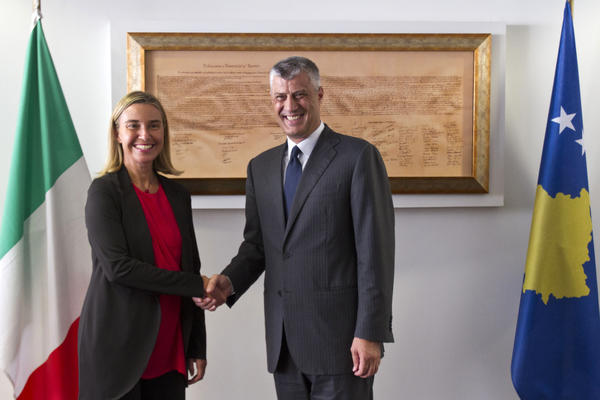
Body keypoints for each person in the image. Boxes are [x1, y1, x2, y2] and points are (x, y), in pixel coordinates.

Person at [197, 56, 395, 399]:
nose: (289, 106)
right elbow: (258, 246)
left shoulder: (357, 157)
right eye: (280, 97)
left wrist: (370, 331)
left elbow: (375, 253)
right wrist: (228, 283)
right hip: (284, 345)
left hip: (343, 344)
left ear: (319, 95)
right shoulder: (260, 168)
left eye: (299, 94)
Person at [78, 91, 207, 400]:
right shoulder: (104, 192)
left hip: (170, 346)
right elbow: (118, 268)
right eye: (133, 125)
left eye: (154, 125)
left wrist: (196, 345)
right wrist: (197, 284)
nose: (145, 135)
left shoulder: (178, 195)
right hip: (117, 349)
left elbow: (191, 267)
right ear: (117, 134)